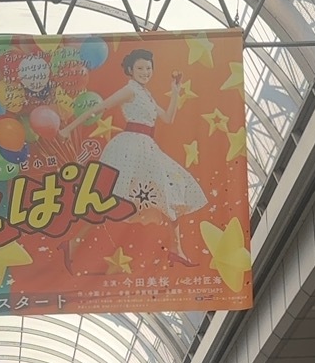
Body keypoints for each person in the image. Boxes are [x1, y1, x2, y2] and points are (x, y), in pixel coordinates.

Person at [60, 48, 208, 267]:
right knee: (108, 200)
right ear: (130, 70)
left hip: (146, 149)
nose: (145, 72)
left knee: (167, 192)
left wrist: (175, 91)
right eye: (140, 68)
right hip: (128, 149)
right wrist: (69, 128)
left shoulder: (146, 94)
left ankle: (176, 249)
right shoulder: (129, 90)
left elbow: (168, 118)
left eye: (148, 68)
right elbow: (99, 108)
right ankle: (72, 243)